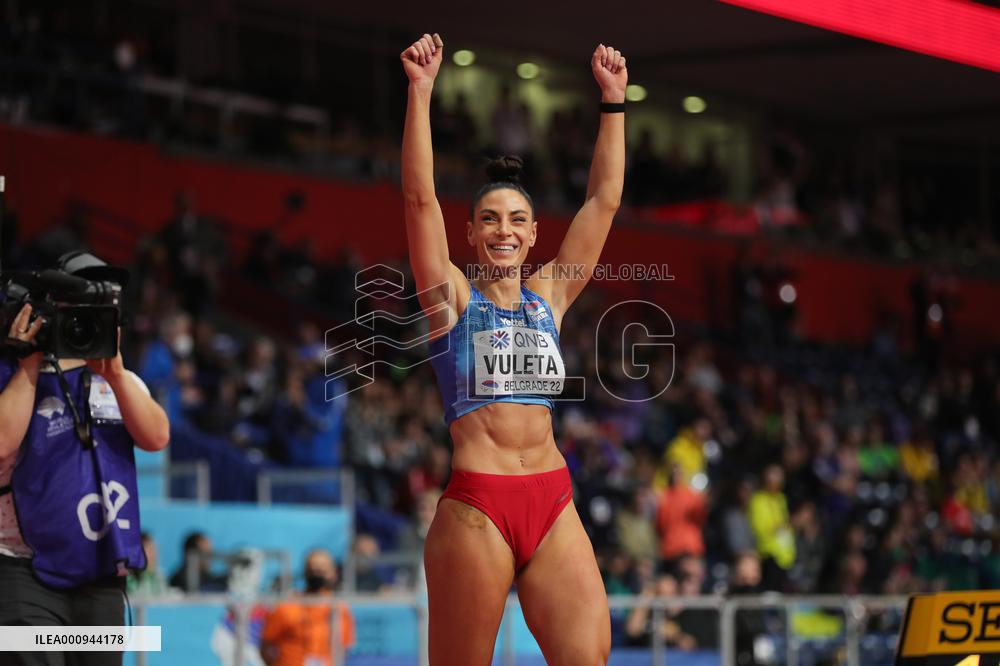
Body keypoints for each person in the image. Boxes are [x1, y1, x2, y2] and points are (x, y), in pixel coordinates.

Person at [400, 31, 626, 665]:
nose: (504, 230)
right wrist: (421, 93)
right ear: (471, 233)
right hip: (479, 504)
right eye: (490, 219)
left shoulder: (550, 295)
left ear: (533, 235)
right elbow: (419, 200)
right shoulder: (450, 299)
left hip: (553, 500)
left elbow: (603, 201)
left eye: (517, 220)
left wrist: (614, 102)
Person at [0, 251, 170, 666]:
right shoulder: (12, 373)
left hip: (99, 574)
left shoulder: (122, 380)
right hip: (22, 568)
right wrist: (30, 365)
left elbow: (156, 438)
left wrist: (115, 374)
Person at [259, 549, 356, 666]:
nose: (317, 573)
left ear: (333, 573)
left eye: (323, 568)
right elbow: (266, 645)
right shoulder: (287, 606)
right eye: (312, 568)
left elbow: (343, 647)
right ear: (305, 572)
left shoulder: (339, 609)